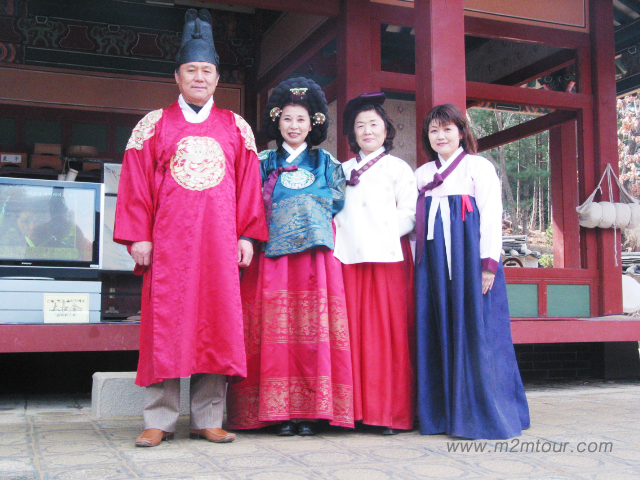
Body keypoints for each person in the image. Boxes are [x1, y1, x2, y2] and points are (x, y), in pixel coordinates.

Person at [114, 9, 268, 447]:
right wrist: (139, 235)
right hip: (168, 247)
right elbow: (135, 184)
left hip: (219, 245)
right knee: (165, 326)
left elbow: (248, 187)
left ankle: (207, 417)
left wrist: (246, 235)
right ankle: (159, 419)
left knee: (216, 324)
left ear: (217, 78)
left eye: (207, 71)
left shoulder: (236, 128)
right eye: (191, 70)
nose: (199, 77)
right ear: (177, 76)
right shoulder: (153, 125)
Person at [226, 77, 354, 436]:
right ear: (277, 122)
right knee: (271, 331)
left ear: (313, 124)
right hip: (271, 257)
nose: (294, 126)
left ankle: (311, 412)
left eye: (301, 119)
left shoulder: (327, 162)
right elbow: (247, 202)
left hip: (315, 258)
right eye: (287, 119)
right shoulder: (262, 161)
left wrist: (296, 210)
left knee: (313, 333)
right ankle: (275, 412)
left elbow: (337, 200)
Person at [414, 103, 530, 440]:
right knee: (438, 328)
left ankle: (484, 413)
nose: (441, 136)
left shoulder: (478, 167)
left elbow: (491, 216)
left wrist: (488, 266)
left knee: (478, 332)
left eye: (447, 129)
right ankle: (442, 413)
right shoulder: (422, 174)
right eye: (434, 130)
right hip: (434, 265)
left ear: (461, 132)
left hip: (471, 261)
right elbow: (415, 226)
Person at [333, 93, 417, 435]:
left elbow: (409, 214)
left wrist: (377, 233)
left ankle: (388, 413)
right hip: (348, 258)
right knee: (350, 332)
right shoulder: (341, 170)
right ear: (353, 133)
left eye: (374, 124)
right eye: (360, 125)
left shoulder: (399, 168)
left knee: (385, 334)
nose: (367, 131)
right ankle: (351, 411)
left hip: (386, 258)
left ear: (386, 129)